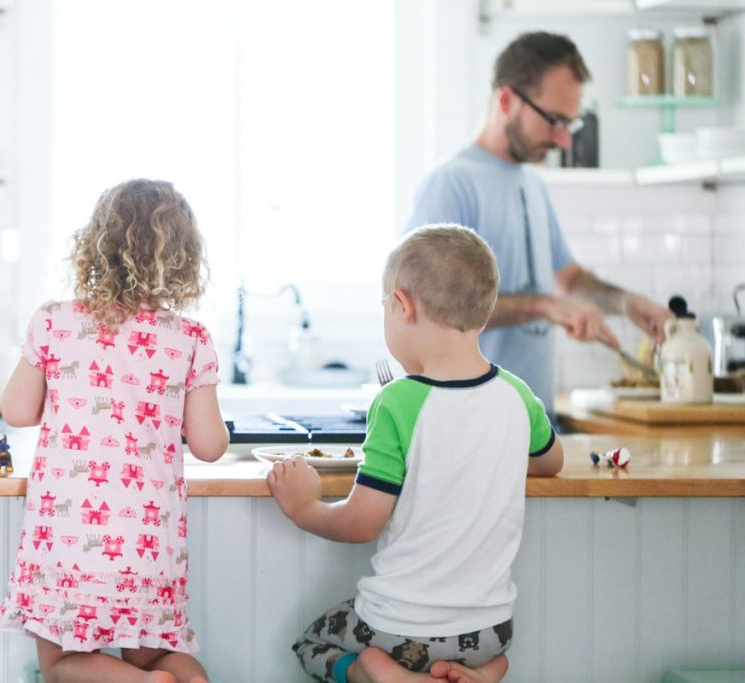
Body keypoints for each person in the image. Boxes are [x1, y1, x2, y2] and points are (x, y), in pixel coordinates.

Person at [267, 225, 564, 683]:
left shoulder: (398, 401)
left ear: (402, 306)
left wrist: (302, 507)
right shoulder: (517, 394)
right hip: (491, 630)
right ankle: (486, 673)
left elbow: (362, 522)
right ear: (482, 314)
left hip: (398, 630)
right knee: (495, 653)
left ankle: (392, 678)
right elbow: (551, 462)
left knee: (310, 643)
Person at [0, 179, 229, 683]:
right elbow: (209, 446)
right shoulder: (189, 338)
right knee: (153, 652)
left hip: (68, 537)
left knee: (60, 666)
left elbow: (16, 410)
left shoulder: (54, 322)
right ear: (184, 258)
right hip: (147, 540)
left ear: (95, 244)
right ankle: (181, 678)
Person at [405, 32, 671, 414]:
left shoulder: (531, 183)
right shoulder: (451, 184)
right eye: (554, 120)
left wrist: (627, 303)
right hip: (469, 427)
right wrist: (544, 306)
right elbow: (430, 309)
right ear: (507, 99)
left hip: (533, 426)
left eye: (570, 125)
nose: (563, 140)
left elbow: (571, 279)